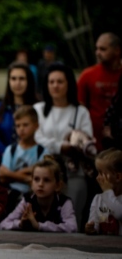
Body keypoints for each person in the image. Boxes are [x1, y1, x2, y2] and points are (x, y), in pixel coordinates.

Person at [34, 62, 92, 229]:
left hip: (73, 171)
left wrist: (68, 145)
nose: (55, 86)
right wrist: (60, 146)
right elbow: (36, 137)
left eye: (60, 81)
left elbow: (86, 141)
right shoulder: (38, 109)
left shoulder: (80, 111)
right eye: (51, 82)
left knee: (73, 216)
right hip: (43, 170)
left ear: (69, 84)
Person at [0, 157, 77, 232]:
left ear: (57, 185)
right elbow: (3, 224)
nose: (40, 184)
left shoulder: (63, 202)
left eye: (46, 180)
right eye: (36, 179)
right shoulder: (27, 201)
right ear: (31, 183)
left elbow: (72, 227)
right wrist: (20, 224)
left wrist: (39, 226)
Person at [78, 33, 121, 152]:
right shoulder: (87, 75)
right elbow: (80, 108)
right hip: (94, 141)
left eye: (103, 49)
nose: (98, 53)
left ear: (117, 50)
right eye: (97, 48)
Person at [0, 62, 38, 159]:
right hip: (4, 160)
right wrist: (6, 154)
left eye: (22, 79)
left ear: (29, 81)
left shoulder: (37, 107)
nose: (17, 83)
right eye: (13, 78)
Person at [0, 105, 46, 198]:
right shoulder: (11, 149)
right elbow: (2, 176)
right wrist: (26, 177)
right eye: (18, 125)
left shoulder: (42, 151)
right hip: (11, 195)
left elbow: (39, 176)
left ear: (36, 126)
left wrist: (10, 175)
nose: (21, 129)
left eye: (25, 125)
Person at [85, 148, 122, 234]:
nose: (97, 178)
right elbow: (95, 223)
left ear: (117, 177)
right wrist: (91, 228)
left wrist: (108, 191)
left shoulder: (107, 196)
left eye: (101, 173)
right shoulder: (98, 199)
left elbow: (119, 213)